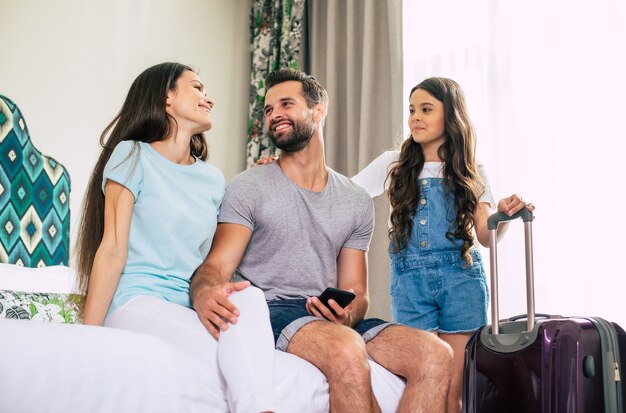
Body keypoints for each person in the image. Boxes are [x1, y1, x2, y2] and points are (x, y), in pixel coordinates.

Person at [190, 68, 454, 413]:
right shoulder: (249, 186)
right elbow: (216, 266)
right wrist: (203, 291)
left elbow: (357, 291)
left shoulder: (355, 199)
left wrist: (347, 313)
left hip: (331, 317)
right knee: (346, 349)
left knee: (435, 354)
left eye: (286, 104)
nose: (275, 115)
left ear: (319, 111)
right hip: (274, 310)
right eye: (268, 110)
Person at [75, 62, 277, 413]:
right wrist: (87, 338)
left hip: (188, 306)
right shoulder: (132, 155)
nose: (209, 99)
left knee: (250, 301)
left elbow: (220, 260)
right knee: (232, 356)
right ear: (166, 98)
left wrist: (261, 182)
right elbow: (112, 249)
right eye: (197, 87)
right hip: (136, 300)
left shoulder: (213, 179)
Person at [350, 77, 535, 413]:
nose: (414, 118)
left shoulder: (471, 170)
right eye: (411, 110)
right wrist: (289, 174)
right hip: (410, 283)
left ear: (450, 116)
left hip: (461, 281)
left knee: (454, 391)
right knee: (422, 377)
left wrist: (505, 216)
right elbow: (343, 192)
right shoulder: (395, 163)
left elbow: (485, 236)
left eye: (425, 109)